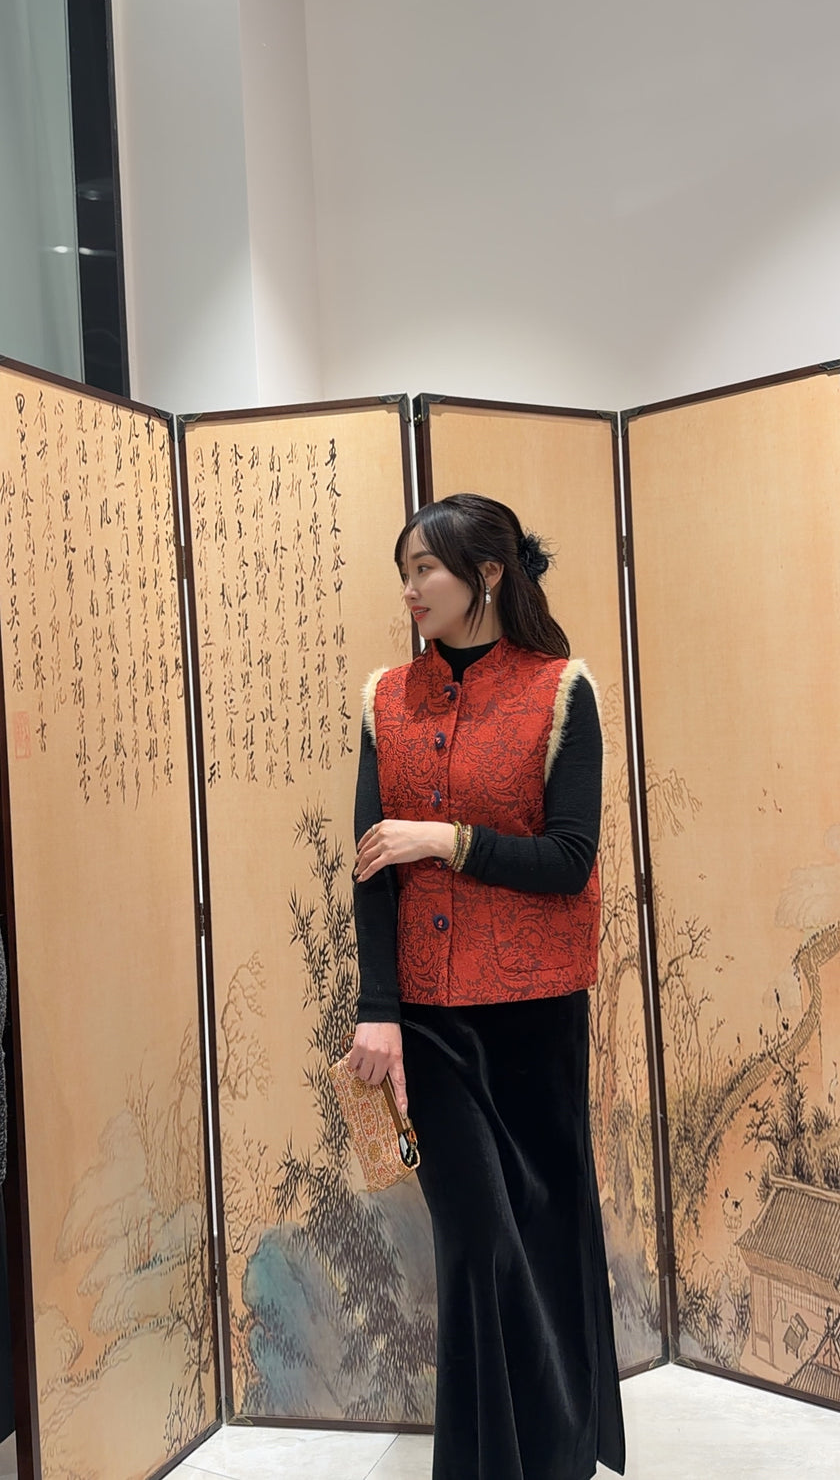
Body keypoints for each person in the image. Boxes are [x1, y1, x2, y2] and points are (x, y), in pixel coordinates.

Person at [350, 493, 625, 1480]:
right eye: (406, 569)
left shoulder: (560, 690)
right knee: (477, 1244)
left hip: (538, 1016)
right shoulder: (388, 697)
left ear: (489, 574)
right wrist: (377, 1008)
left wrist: (447, 838)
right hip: (428, 1024)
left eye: (426, 566)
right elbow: (371, 867)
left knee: (546, 1229)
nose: (412, 586)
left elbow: (570, 857)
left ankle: (555, 1450)